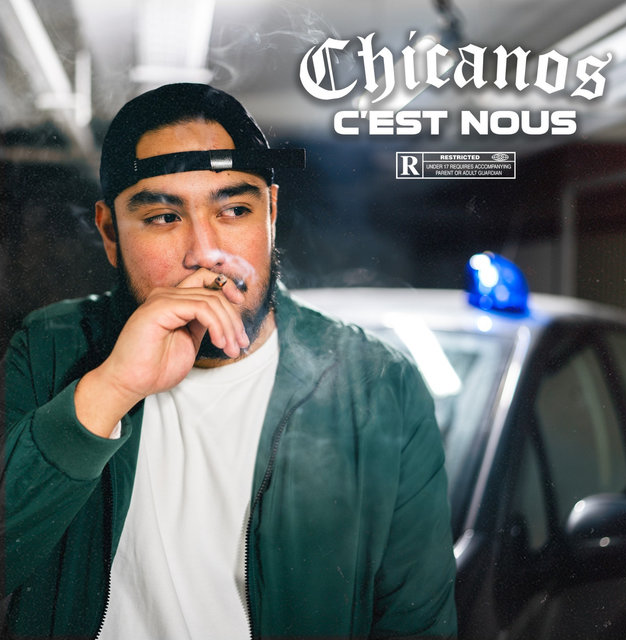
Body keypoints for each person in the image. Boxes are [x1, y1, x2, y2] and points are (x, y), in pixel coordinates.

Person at [1, 83, 457, 639]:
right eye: (163, 217)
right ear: (110, 233)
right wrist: (112, 387)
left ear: (271, 213)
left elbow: (418, 625)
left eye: (235, 209)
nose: (205, 252)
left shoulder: (379, 385)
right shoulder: (51, 347)